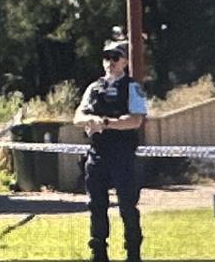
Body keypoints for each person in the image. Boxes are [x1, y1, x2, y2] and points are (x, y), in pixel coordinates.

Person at [74, 40, 148, 262]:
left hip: (122, 154)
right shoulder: (94, 88)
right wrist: (90, 119)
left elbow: (135, 121)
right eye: (106, 57)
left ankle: (133, 253)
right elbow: (77, 117)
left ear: (125, 61)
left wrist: (105, 123)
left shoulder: (132, 88)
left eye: (115, 57)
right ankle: (98, 251)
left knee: (127, 205)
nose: (110, 62)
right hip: (97, 154)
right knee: (96, 205)